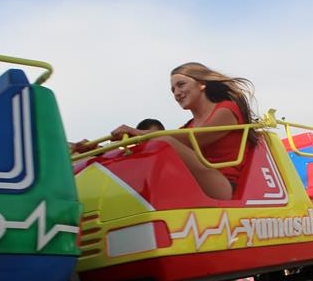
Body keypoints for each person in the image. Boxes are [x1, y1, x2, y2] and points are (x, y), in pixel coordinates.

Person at [111, 62, 258, 200]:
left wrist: (141, 134)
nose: (176, 93)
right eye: (173, 90)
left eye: (181, 85)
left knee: (165, 142)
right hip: (195, 183)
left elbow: (196, 138)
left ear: (202, 84)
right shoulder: (188, 127)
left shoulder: (227, 109)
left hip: (223, 186)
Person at [70, 118, 165, 154]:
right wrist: (92, 149)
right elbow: (106, 152)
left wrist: (134, 131)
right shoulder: (131, 153)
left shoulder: (170, 151)